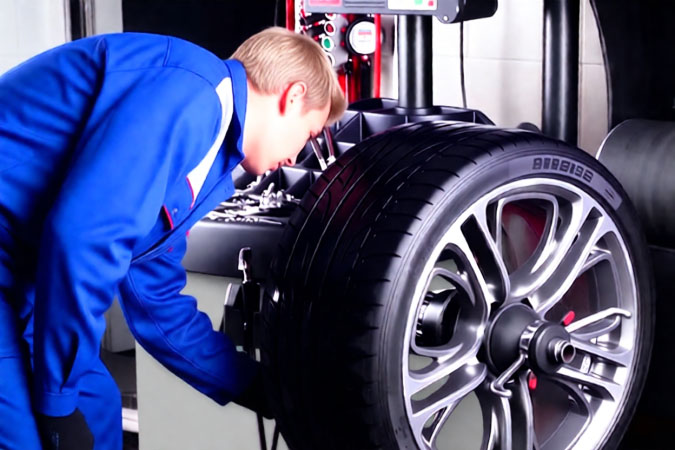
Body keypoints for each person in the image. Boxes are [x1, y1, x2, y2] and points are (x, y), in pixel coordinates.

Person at [0, 27, 346, 450]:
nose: (295, 157)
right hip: (13, 259)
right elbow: (84, 236)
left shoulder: (207, 160)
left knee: (96, 407)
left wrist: (260, 388)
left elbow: (155, 299)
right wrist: (57, 405)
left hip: (25, 275)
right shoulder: (190, 92)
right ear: (292, 97)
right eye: (308, 135)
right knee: (29, 432)